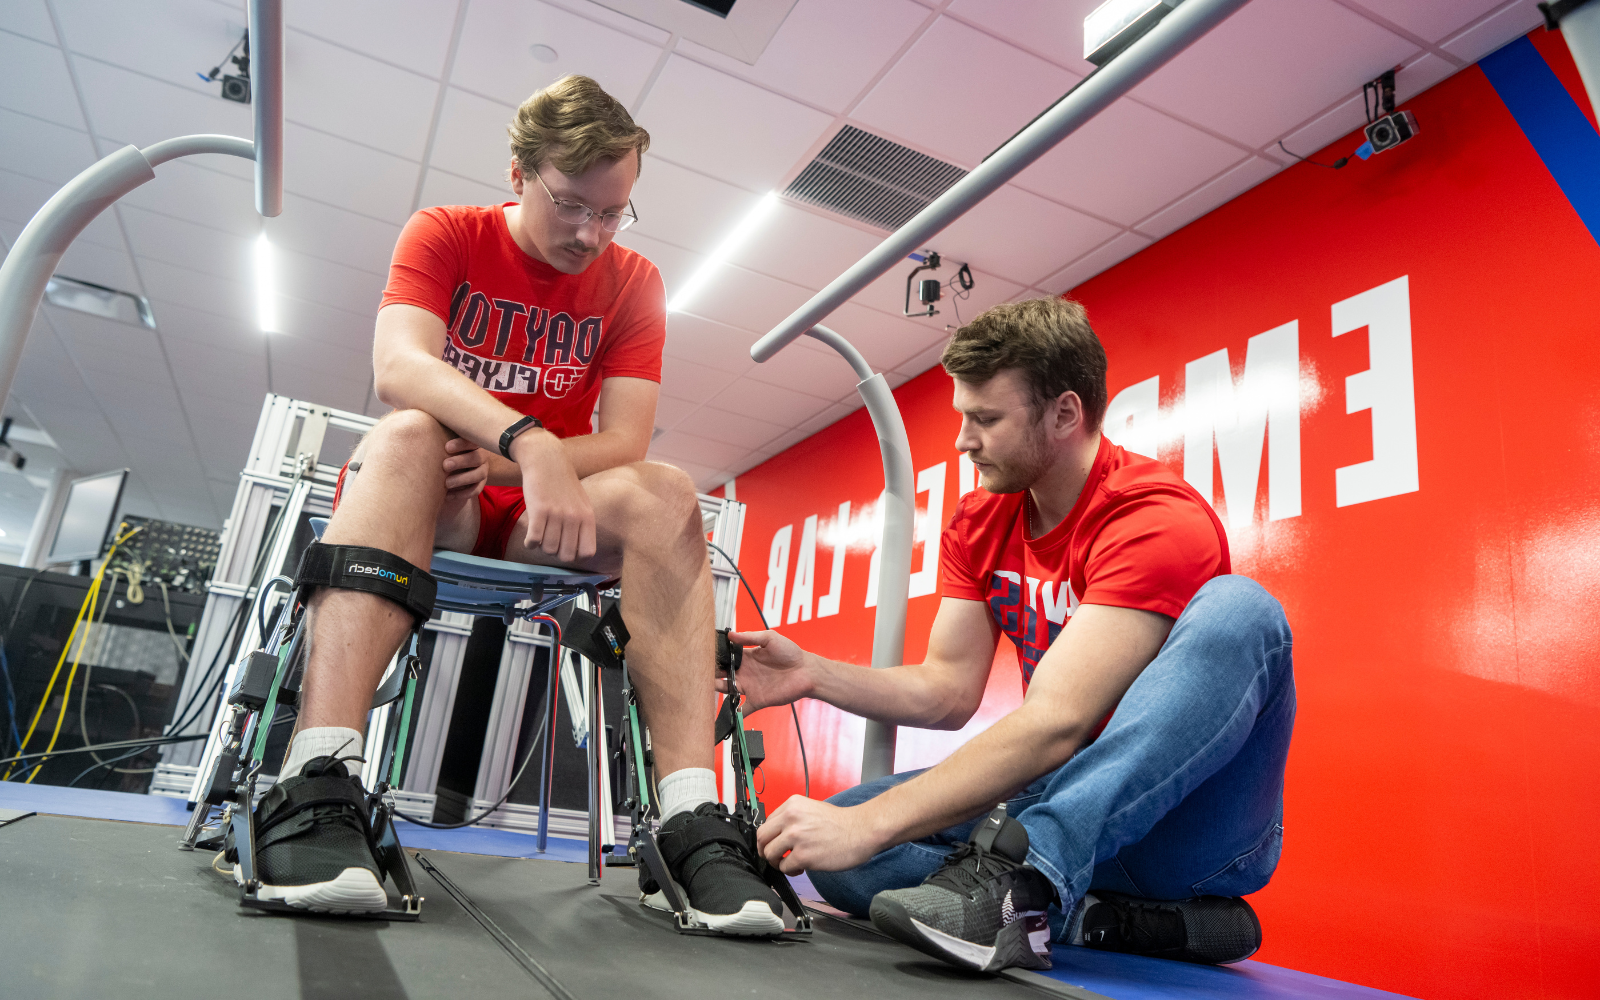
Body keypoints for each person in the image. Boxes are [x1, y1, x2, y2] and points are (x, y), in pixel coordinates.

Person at [238, 75, 787, 936]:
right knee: (410, 433)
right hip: (441, 495)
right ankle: (317, 779)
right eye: (572, 205)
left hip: (543, 521)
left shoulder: (632, 281)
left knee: (668, 493)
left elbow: (627, 438)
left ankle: (686, 819)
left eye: (613, 213)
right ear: (519, 171)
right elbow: (401, 366)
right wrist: (523, 442)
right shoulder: (447, 233)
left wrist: (536, 464)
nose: (590, 233)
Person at [734, 296, 1297, 971]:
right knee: (844, 845)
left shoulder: (1152, 516)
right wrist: (813, 676)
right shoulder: (980, 521)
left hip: (1183, 827)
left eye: (985, 419)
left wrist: (872, 826)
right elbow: (946, 690)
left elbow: (1057, 720)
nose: (963, 440)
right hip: (1059, 794)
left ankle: (1024, 883)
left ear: (1064, 413)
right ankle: (1098, 917)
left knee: (1244, 609)